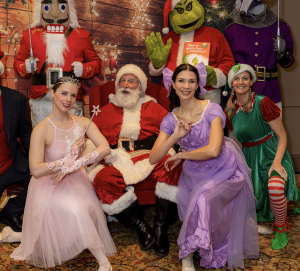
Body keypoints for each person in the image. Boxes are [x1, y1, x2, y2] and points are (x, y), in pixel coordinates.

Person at [149, 63, 259, 270]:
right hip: (194, 175)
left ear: (197, 84)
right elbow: (153, 158)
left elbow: (214, 150)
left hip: (224, 171)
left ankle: (188, 254)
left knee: (202, 200)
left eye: (191, 81)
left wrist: (181, 154)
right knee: (200, 204)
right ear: (172, 84)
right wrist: (175, 136)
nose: (186, 86)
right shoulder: (170, 119)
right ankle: (189, 254)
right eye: (181, 81)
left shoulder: (212, 109)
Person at [0, 76, 116, 270]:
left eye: (73, 95)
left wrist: (76, 163)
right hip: (49, 185)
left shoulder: (83, 122)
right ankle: (103, 261)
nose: (68, 99)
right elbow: (36, 170)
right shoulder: (41, 129)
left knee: (85, 210)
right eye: (63, 93)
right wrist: (65, 162)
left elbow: (105, 148)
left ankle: (17, 236)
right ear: (52, 93)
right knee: (77, 211)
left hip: (77, 182)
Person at [91, 64, 182, 257]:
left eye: (131, 81)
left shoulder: (155, 108)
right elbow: (92, 138)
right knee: (102, 179)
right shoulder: (105, 110)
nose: (125, 85)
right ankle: (139, 224)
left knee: (172, 168)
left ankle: (160, 227)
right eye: (122, 81)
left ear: (140, 87)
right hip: (118, 157)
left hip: (151, 154)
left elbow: (172, 133)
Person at [224, 63, 299, 250]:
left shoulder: (263, 102)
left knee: (274, 186)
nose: (240, 82)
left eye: (245, 78)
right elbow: (238, 143)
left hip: (271, 152)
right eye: (236, 78)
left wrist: (276, 163)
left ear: (251, 82)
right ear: (231, 84)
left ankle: (281, 227)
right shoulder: (229, 110)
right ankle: (293, 198)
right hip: (249, 157)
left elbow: (282, 136)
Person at [14, 0, 101, 127]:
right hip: (41, 99)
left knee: (71, 142)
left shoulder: (81, 35)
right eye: (47, 6)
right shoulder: (30, 35)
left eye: (61, 6)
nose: (54, 13)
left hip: (71, 98)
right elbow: (18, 62)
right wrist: (26, 66)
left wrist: (85, 69)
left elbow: (95, 63)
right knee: (42, 141)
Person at [145, 0, 235, 104]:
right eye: (180, 11)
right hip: (171, 99)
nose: (187, 14)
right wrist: (157, 64)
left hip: (206, 100)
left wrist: (213, 76)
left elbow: (228, 63)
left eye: (189, 7)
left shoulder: (215, 35)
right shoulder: (168, 39)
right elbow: (154, 72)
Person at [224, 0, 294, 109]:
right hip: (241, 93)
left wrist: (283, 54)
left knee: (272, 129)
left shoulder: (280, 27)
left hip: (270, 92)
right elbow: (227, 63)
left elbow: (288, 63)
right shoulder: (232, 30)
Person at [0, 52, 32, 233]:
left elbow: (25, 132)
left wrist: (36, 159)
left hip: (13, 164)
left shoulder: (16, 100)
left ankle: (10, 212)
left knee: (43, 178)